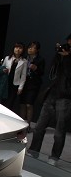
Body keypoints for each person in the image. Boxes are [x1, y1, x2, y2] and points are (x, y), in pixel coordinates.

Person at [27, 36, 71, 166]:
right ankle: (33, 151)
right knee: (39, 127)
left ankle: (54, 157)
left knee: (59, 131)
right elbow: (53, 72)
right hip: (52, 95)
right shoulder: (62, 57)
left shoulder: (68, 59)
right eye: (67, 44)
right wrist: (59, 56)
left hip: (66, 98)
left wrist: (67, 58)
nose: (68, 47)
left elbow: (69, 74)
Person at [19, 41, 45, 128]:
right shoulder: (24, 58)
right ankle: (22, 125)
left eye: (33, 47)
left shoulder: (40, 59)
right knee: (22, 104)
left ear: (37, 50)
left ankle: (28, 124)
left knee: (29, 104)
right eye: (29, 47)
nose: (30, 49)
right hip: (23, 83)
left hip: (33, 84)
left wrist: (36, 68)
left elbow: (42, 72)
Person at [0, 42, 27, 110]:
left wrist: (20, 87)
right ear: (13, 48)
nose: (18, 49)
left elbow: (23, 75)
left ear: (23, 50)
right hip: (6, 82)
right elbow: (2, 68)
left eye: (20, 48)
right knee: (2, 101)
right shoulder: (7, 58)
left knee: (10, 102)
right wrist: (3, 70)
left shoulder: (24, 61)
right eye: (16, 47)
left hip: (15, 84)